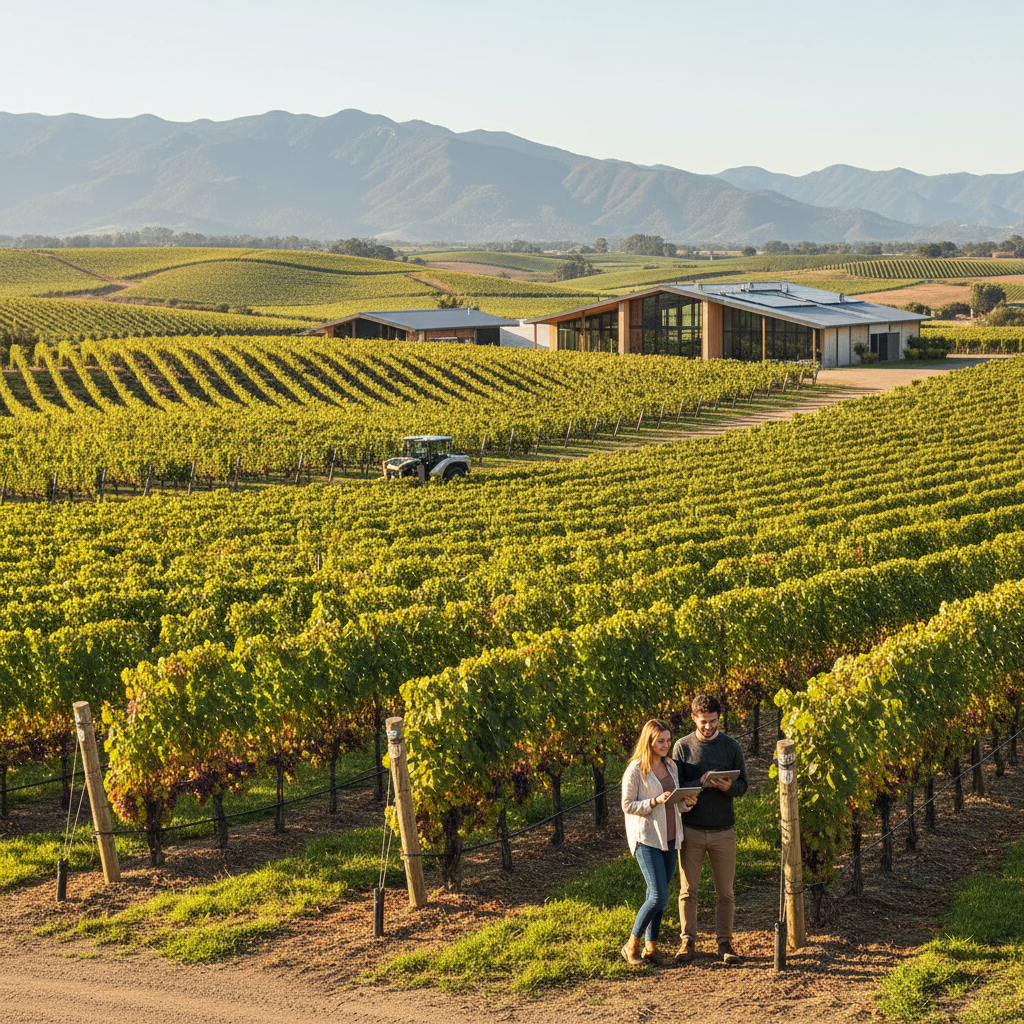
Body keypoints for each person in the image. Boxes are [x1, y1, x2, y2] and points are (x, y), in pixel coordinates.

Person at [672, 694, 748, 965]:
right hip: (691, 829)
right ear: (694, 718)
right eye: (703, 722)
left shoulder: (731, 746)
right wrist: (698, 784)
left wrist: (730, 787)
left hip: (723, 830)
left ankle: (724, 943)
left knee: (725, 892)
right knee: (688, 890)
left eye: (713, 721)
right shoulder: (681, 747)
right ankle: (687, 942)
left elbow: (744, 786)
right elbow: (676, 786)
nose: (708, 727)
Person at [620, 719, 698, 967]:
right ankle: (630, 945)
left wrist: (686, 803)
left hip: (671, 837)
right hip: (648, 838)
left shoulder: (671, 766)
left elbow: (673, 802)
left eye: (668, 740)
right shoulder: (636, 769)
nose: (666, 745)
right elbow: (627, 805)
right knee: (658, 896)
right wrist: (653, 802)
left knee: (659, 895)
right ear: (649, 741)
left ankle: (651, 948)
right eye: (661, 741)